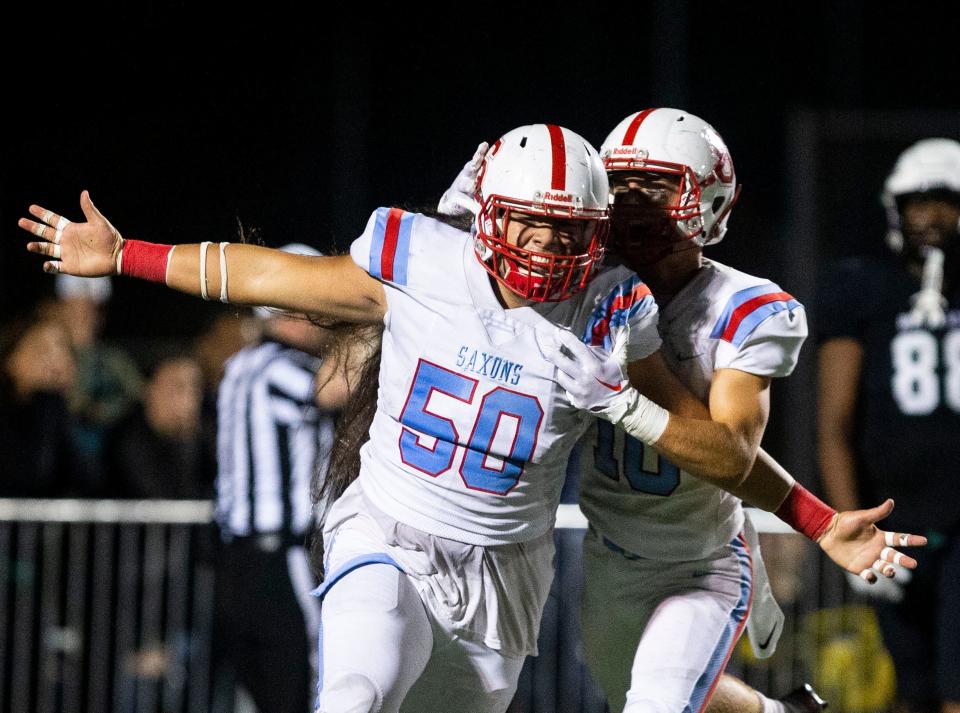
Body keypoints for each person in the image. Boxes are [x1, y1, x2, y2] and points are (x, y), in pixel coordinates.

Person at [19, 123, 922, 713]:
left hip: (506, 570)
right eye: (529, 224)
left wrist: (627, 403)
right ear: (485, 217)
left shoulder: (615, 307)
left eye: (571, 229)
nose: (547, 247)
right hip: (391, 528)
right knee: (352, 692)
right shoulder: (423, 257)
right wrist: (127, 254)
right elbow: (265, 276)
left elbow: (716, 446)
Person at [817, 138, 960, 713]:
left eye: (943, 200)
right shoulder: (862, 288)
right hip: (894, 524)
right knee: (909, 691)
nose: (928, 216)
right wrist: (849, 526)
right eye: (916, 202)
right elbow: (834, 423)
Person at [210, 242, 335, 713]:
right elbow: (331, 390)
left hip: (236, 560)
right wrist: (372, 324)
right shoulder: (280, 369)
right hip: (279, 561)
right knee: (300, 690)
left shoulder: (240, 367)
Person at [102, 351, 213, 499]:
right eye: (178, 387)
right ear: (148, 390)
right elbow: (156, 497)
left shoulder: (204, 433)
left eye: (194, 388)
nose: (189, 398)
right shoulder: (125, 437)